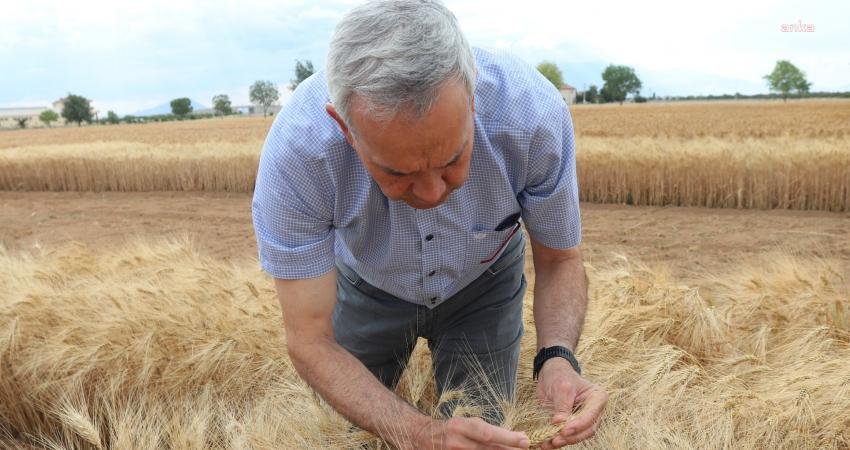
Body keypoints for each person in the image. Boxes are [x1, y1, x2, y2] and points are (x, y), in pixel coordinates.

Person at [251, 1, 608, 448]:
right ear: (345, 127)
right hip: (366, 283)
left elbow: (559, 260)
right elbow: (311, 341)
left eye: (453, 159)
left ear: (473, 97)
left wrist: (557, 357)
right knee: (344, 434)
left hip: (484, 284)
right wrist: (421, 434)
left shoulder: (532, 117)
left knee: (485, 428)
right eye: (397, 174)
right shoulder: (297, 157)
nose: (433, 193)